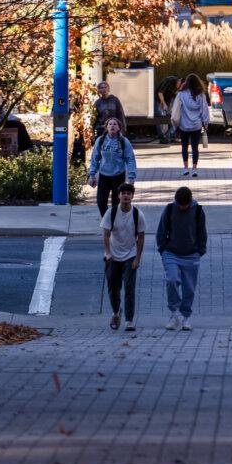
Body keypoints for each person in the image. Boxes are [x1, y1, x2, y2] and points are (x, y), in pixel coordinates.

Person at [156, 186, 208, 331]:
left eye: (185, 205)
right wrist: (163, 249)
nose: (182, 208)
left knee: (189, 289)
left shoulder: (198, 211)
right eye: (180, 205)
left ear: (190, 201)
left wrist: (200, 251)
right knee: (172, 280)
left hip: (192, 254)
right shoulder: (170, 209)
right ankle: (174, 313)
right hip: (171, 253)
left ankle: (185, 317)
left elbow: (202, 232)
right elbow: (161, 230)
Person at [101, 183, 144, 332]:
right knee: (113, 288)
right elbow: (106, 235)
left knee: (129, 288)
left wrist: (137, 258)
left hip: (130, 256)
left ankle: (129, 320)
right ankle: (116, 312)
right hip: (113, 256)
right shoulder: (111, 213)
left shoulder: (138, 214)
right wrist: (107, 253)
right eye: (123, 193)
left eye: (128, 193)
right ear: (118, 196)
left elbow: (141, 237)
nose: (126, 196)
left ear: (132, 196)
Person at [88, 117, 137, 216]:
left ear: (119, 128)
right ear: (106, 127)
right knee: (101, 203)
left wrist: (131, 177)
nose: (112, 126)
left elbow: (130, 159)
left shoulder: (124, 141)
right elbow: (95, 158)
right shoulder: (100, 140)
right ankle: (107, 220)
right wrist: (92, 175)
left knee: (116, 204)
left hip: (118, 176)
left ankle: (113, 223)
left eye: (115, 124)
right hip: (104, 176)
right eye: (110, 124)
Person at [171, 73, 210, 177]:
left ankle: (185, 168)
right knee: (195, 147)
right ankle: (195, 168)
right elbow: (204, 110)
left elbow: (176, 110)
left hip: (184, 125)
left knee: (184, 146)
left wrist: (175, 125)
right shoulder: (201, 95)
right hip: (196, 125)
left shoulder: (181, 94)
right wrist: (205, 123)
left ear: (186, 83)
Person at [156, 75, 180, 144]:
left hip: (168, 101)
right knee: (162, 118)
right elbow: (160, 92)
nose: (178, 89)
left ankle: (171, 136)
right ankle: (163, 138)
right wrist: (163, 103)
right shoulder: (169, 80)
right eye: (179, 87)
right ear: (179, 81)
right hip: (158, 100)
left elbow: (174, 97)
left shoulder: (177, 87)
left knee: (171, 117)